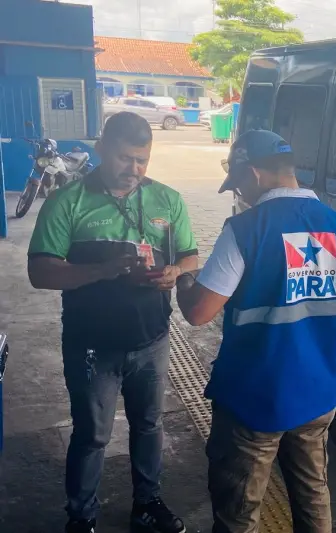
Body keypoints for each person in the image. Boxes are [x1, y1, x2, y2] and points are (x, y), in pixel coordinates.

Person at [175, 130, 336, 533]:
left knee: (239, 509)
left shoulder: (246, 229)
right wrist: (306, 325)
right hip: (316, 391)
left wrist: (184, 280)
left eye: (239, 184)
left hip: (253, 396)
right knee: (313, 493)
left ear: (254, 173)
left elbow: (198, 313)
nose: (240, 194)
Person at [27, 112, 198, 533]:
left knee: (150, 424)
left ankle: (147, 503)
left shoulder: (167, 200)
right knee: (93, 434)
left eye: (142, 160)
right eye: (124, 158)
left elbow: (190, 256)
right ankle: (82, 516)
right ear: (101, 148)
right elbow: (40, 272)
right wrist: (102, 271)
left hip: (152, 340)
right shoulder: (67, 201)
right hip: (91, 343)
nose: (134, 169)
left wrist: (176, 272)